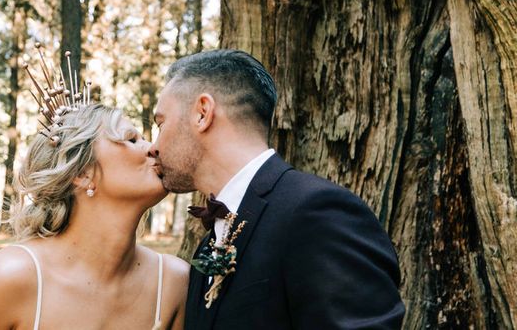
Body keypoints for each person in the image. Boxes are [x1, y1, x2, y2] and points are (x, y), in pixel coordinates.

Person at [149, 49, 405, 330]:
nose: (153, 146)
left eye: (160, 124)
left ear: (202, 113)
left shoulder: (318, 212)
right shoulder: (208, 245)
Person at [0, 101, 189, 330]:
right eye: (132, 139)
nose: (154, 148)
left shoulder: (173, 283)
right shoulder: (9, 277)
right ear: (82, 173)